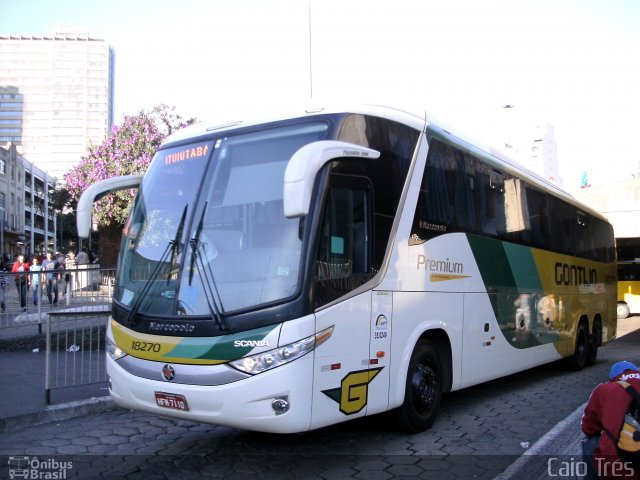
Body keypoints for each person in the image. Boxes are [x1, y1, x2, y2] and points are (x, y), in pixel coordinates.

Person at [582, 361, 640, 479]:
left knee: (590, 442)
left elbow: (588, 428)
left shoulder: (605, 389)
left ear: (613, 378)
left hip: (619, 468)